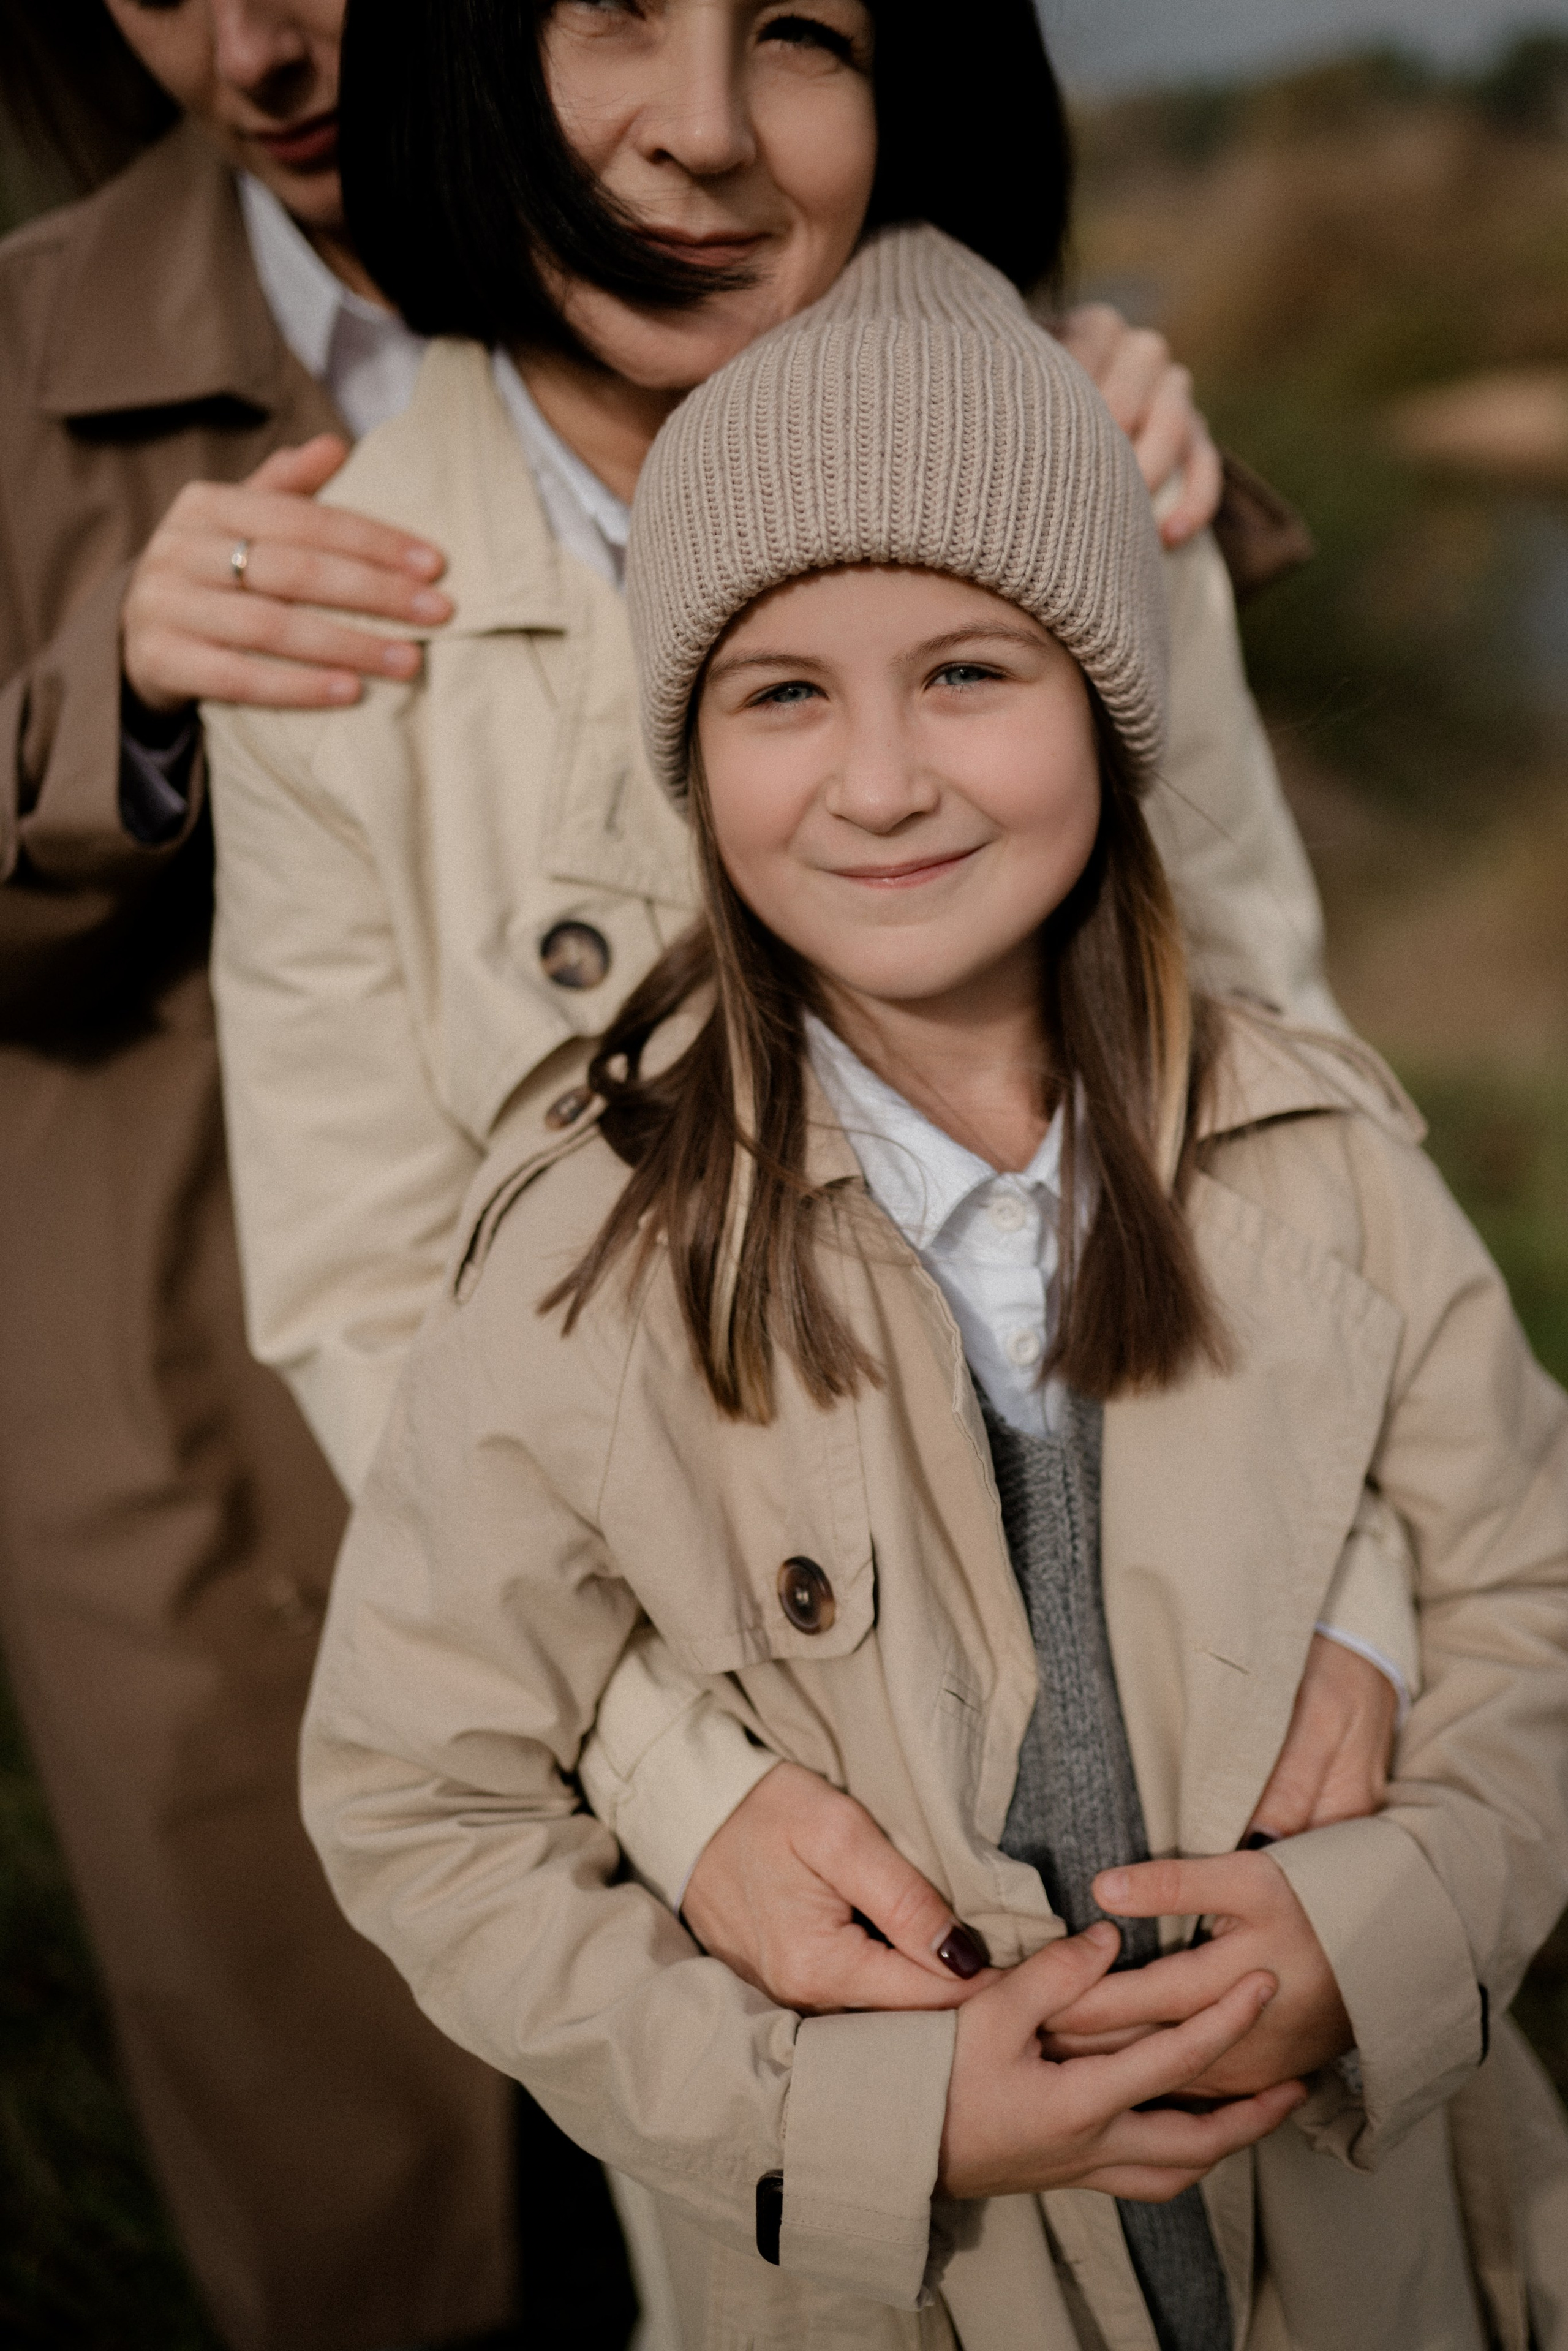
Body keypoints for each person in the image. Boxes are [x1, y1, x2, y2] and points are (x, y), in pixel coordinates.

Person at [296, 225, 1568, 2350]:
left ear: (1111, 704)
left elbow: (1536, 1585)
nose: (881, 781)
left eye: (970, 672)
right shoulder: (592, 1267)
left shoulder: (1320, 1160)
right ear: (692, 749)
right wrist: (866, 2121)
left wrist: (1389, 1926)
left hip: (1383, 2263)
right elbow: (422, 1797)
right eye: (784, 693)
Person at [202, 0, 1415, 2025]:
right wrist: (684, 1791)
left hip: (1221, 1668)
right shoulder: (325, 612)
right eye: (611, 7)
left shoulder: (1083, 451)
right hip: (784, 1801)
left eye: (797, 30)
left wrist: (1351, 1601)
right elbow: (372, 1295)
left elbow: (1290, 1089)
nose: (704, 130)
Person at [0, 2, 639, 2342]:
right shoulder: (18, 346)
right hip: (189, 1421)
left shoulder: (704, 208)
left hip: (687, 1377)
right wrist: (113, 696)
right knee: (384, 2212)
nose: (255, 44)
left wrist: (1104, 416)